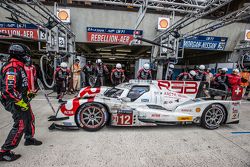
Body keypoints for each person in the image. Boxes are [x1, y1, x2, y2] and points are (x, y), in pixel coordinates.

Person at [0, 43, 42, 162]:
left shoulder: (19, 66)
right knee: (20, 124)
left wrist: (27, 94)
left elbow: (19, 85)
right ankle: (4, 151)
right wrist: (20, 102)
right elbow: (8, 90)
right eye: (26, 55)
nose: (28, 58)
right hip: (13, 101)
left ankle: (28, 138)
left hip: (21, 99)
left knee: (30, 118)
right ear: (19, 55)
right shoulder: (12, 68)